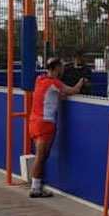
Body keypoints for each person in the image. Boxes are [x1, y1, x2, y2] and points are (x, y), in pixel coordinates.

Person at [27, 57, 85, 198]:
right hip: (45, 123)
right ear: (57, 68)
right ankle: (35, 187)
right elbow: (74, 90)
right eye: (62, 66)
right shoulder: (55, 83)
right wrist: (82, 81)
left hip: (33, 122)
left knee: (42, 156)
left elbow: (53, 95)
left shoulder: (40, 80)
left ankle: (37, 185)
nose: (63, 69)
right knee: (41, 157)